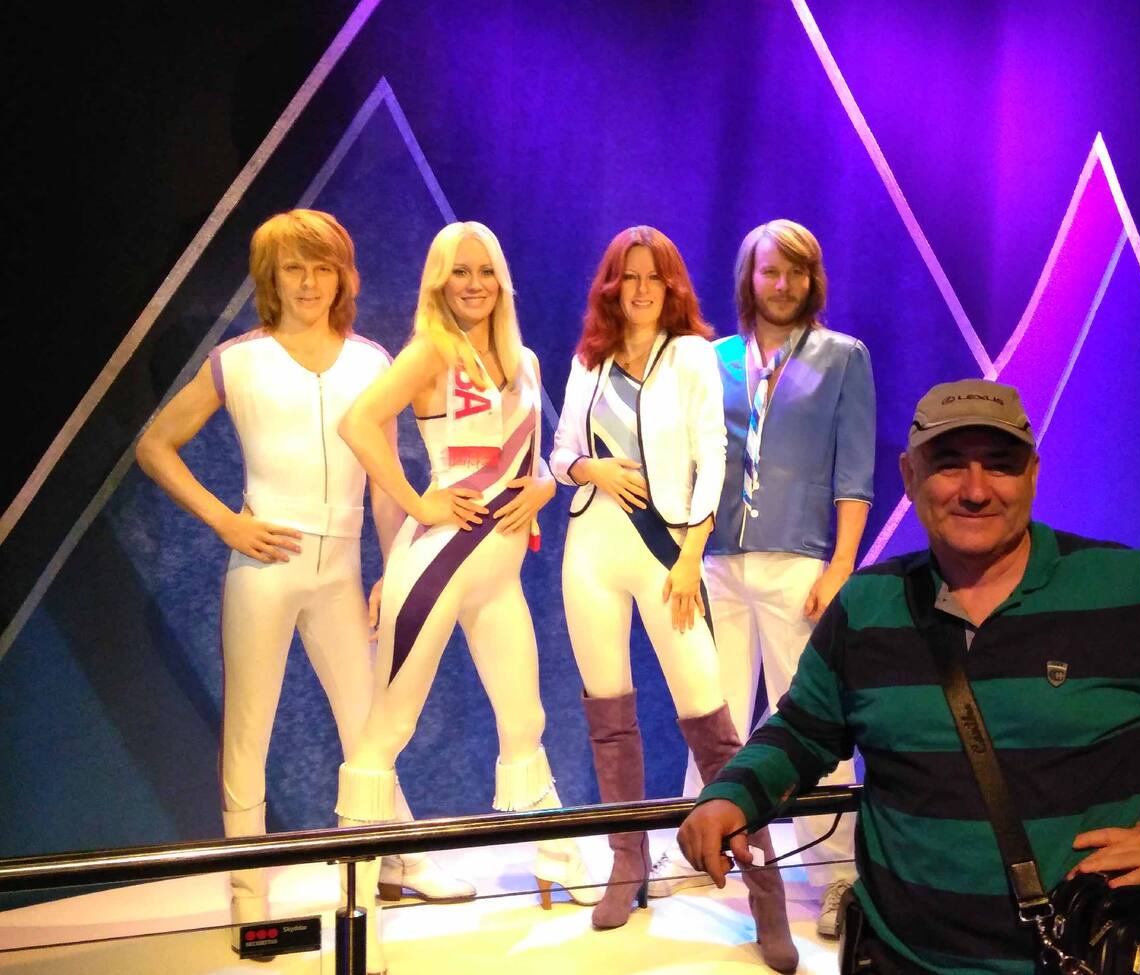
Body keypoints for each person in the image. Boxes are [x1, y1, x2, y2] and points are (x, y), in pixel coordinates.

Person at [679, 378, 1140, 975]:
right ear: (909, 476)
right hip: (901, 959)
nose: (976, 490)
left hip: (1075, 960)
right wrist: (732, 795)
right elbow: (802, 730)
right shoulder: (866, 604)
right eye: (949, 464)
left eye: (1000, 465)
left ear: (1032, 474)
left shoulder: (1127, 589)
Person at [135, 209, 471, 939]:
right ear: (271, 277)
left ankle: (400, 857)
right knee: (248, 731)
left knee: (369, 720)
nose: (310, 282)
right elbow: (155, 445)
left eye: (323, 267)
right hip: (264, 567)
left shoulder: (372, 362)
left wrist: (394, 567)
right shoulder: (238, 361)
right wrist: (226, 521)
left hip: (341, 571)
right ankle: (247, 893)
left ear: (343, 276)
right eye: (294, 267)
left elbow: (385, 479)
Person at [333, 221, 595, 975]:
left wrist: (542, 486)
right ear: (438, 281)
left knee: (526, 717)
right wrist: (419, 501)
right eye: (459, 271)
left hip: (498, 575)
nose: (473, 284)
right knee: (389, 728)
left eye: (484, 271)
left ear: (501, 279)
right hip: (439, 561)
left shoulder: (524, 359)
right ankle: (357, 901)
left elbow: (531, 461)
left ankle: (556, 857)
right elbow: (357, 423)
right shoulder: (430, 351)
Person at [550, 225, 798, 972]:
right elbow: (559, 454)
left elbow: (713, 456)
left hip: (668, 556)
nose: (641, 289)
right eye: (628, 277)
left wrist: (691, 555)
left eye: (653, 277)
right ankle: (627, 863)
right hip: (590, 550)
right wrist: (589, 469)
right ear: (611, 285)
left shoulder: (691, 354)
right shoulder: (589, 358)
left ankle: (765, 893)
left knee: (714, 729)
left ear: (671, 285)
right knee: (608, 718)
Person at [656, 219, 875, 939]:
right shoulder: (711, 359)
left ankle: (840, 873)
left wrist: (841, 566)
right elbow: (689, 462)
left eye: (796, 272)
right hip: (716, 561)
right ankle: (695, 845)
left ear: (814, 281)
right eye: (769, 270)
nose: (782, 284)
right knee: (710, 711)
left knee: (813, 721)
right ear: (748, 277)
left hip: (800, 563)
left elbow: (854, 472)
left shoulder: (843, 357)